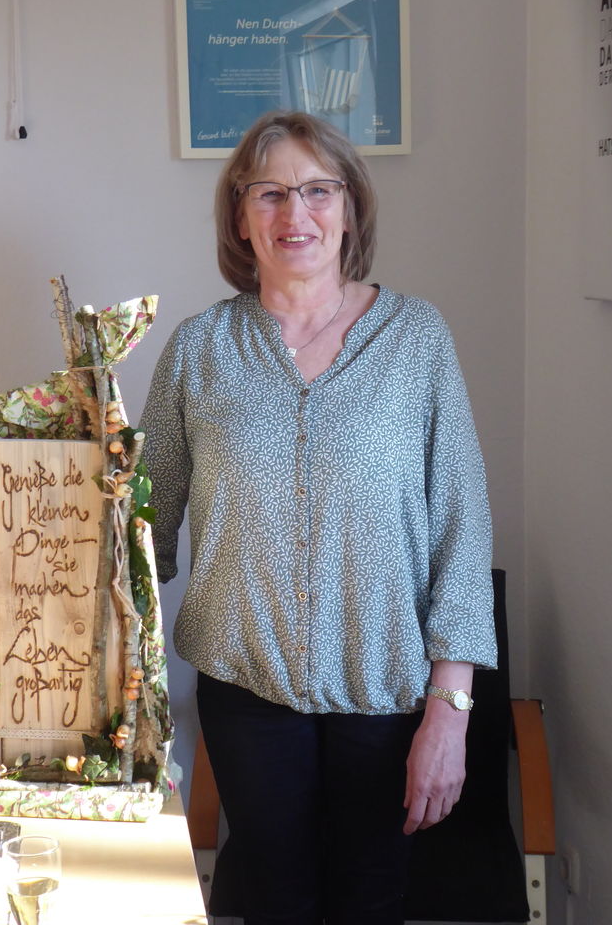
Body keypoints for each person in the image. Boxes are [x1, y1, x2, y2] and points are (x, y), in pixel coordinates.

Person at [139, 110, 497, 925]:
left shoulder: (416, 340)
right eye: (268, 194)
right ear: (240, 217)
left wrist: (451, 712)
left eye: (316, 191)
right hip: (246, 691)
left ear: (350, 207)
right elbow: (142, 522)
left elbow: (462, 527)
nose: (293, 214)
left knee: (371, 904)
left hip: (387, 693)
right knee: (274, 902)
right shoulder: (198, 349)